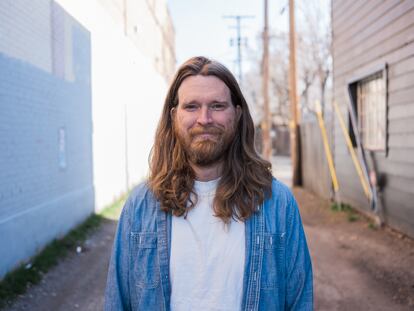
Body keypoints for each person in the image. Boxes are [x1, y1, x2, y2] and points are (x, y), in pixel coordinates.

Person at [104, 56, 313, 311]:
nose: (204, 118)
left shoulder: (277, 203)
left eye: (217, 105)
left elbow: (299, 302)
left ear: (236, 114)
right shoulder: (140, 207)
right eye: (191, 106)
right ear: (174, 116)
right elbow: (118, 304)